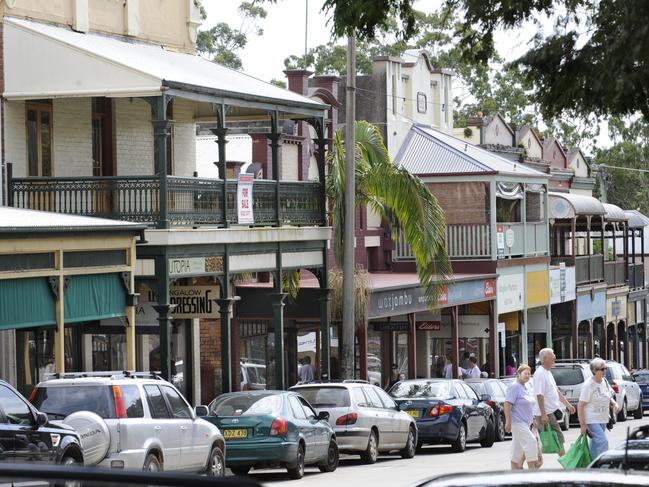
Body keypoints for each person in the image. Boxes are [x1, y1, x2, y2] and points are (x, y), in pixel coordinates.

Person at [533, 348, 576, 456]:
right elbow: (539, 395)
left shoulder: (548, 372)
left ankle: (529, 462)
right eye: (553, 357)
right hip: (546, 412)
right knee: (557, 436)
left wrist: (568, 404)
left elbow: (555, 390)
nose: (554, 359)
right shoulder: (540, 373)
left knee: (554, 437)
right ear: (546, 358)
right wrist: (543, 414)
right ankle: (566, 463)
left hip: (551, 410)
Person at [578, 358, 619, 459]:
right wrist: (583, 425)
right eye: (602, 369)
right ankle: (603, 465)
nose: (605, 371)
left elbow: (608, 396)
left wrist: (614, 404)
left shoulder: (604, 381)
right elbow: (580, 405)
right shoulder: (588, 385)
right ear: (595, 371)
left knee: (595, 444)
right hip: (591, 419)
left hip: (603, 418)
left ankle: (593, 466)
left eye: (606, 368)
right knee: (602, 441)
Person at [504, 364, 540, 470]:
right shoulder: (514, 386)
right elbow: (507, 404)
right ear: (518, 374)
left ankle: (514, 472)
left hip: (526, 423)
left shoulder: (526, 387)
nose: (527, 376)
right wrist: (508, 422)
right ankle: (532, 470)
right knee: (531, 442)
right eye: (525, 373)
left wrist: (533, 419)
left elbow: (528, 405)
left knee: (517, 450)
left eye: (529, 374)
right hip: (517, 422)